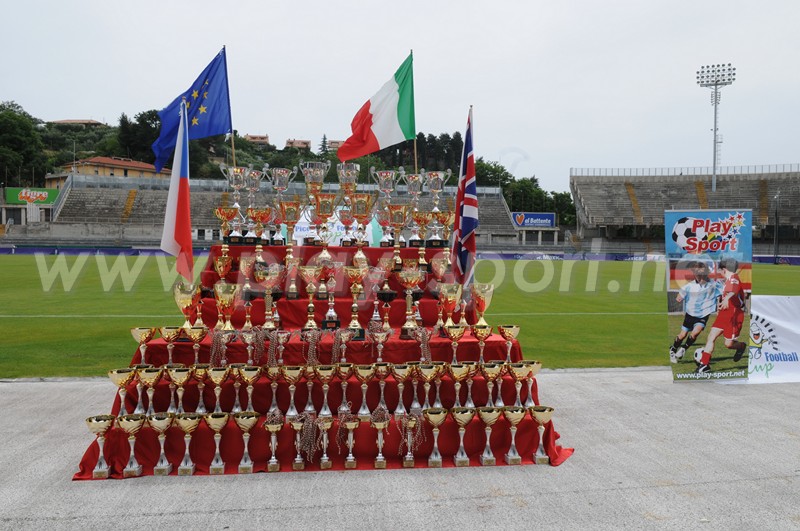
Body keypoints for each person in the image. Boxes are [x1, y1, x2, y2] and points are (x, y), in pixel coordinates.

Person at [694, 258, 747, 373]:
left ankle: (741, 346)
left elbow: (733, 291)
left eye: (720, 270)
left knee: (728, 344)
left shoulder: (734, 278)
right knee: (711, 337)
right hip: (724, 314)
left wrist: (727, 298)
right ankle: (704, 365)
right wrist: (721, 303)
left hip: (734, 315)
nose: (719, 272)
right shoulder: (727, 281)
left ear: (724, 270)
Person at [669, 261, 722, 364]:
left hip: (704, 314)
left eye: (701, 273)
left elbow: (721, 293)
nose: (699, 276)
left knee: (695, 333)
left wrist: (720, 304)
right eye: (696, 273)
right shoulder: (689, 286)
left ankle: (683, 349)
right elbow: (679, 296)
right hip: (691, 313)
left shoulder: (713, 284)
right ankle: (673, 349)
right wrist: (679, 297)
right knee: (683, 335)